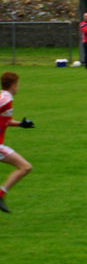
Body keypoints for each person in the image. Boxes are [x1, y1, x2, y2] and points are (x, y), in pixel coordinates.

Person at [0, 72, 35, 213]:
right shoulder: (5, 99)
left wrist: (21, 124)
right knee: (25, 167)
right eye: (17, 84)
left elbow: (5, 121)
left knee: (25, 167)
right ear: (13, 85)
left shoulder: (5, 98)